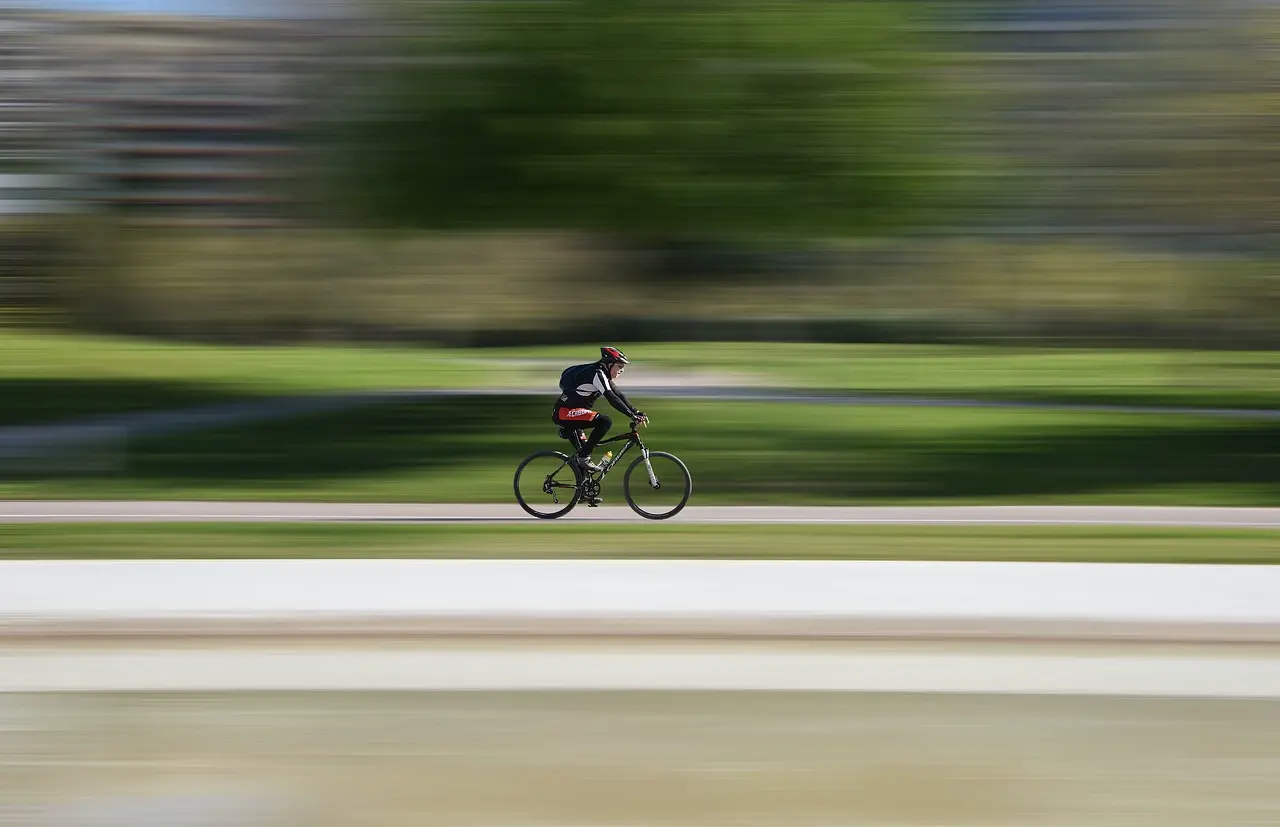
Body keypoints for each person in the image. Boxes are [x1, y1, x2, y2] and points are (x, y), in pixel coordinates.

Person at [552, 346, 648, 474]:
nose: (622, 370)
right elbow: (611, 397)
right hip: (564, 413)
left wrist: (635, 412)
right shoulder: (597, 374)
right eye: (619, 366)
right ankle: (583, 457)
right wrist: (631, 415)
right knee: (604, 421)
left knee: (584, 461)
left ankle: (584, 483)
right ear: (609, 364)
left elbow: (618, 394)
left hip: (572, 413)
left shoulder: (603, 375)